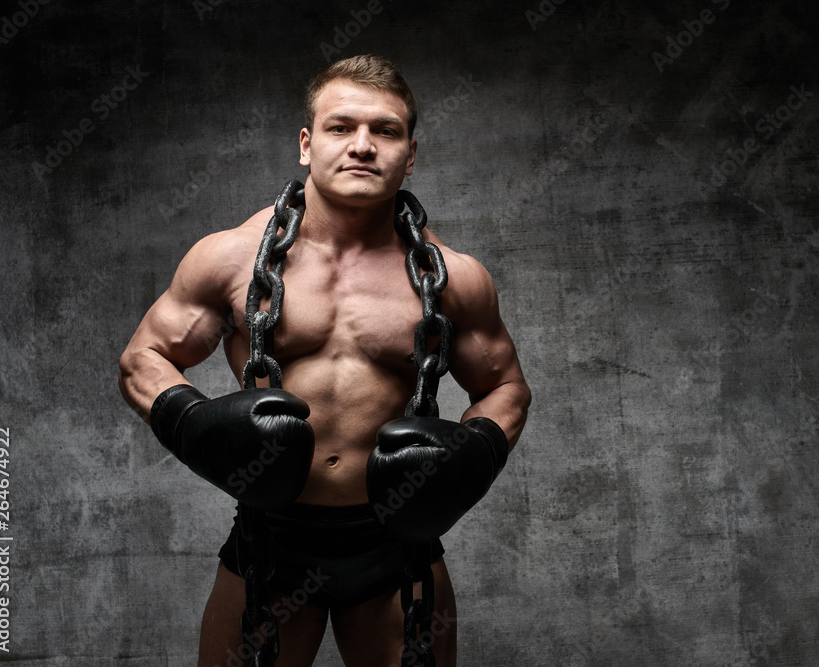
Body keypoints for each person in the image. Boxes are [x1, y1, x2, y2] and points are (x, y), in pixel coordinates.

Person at [118, 54, 530, 666]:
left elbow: (506, 388)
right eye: (341, 127)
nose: (362, 145)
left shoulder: (455, 279)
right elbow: (143, 359)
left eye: (385, 130)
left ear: (410, 155)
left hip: (396, 545)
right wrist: (197, 425)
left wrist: (474, 453)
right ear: (307, 144)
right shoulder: (231, 259)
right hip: (271, 541)